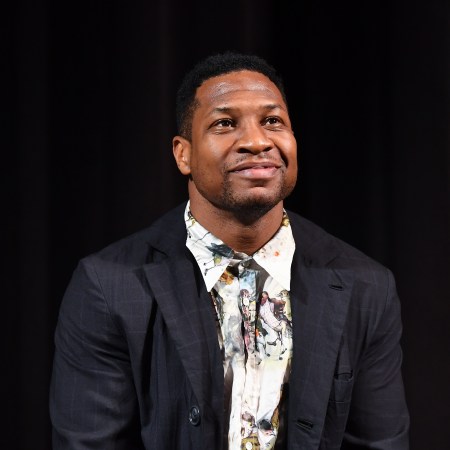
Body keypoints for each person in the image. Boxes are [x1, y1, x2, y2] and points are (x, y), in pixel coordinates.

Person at [49, 52, 410, 449]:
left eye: (273, 121)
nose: (257, 141)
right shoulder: (108, 285)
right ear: (182, 154)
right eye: (225, 123)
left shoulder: (365, 286)